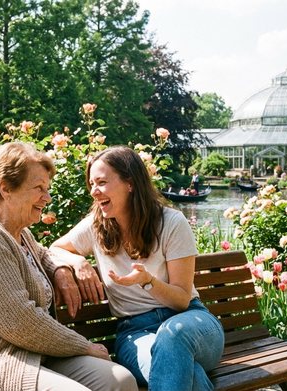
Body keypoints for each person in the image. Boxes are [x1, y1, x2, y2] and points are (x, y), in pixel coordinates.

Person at [0, 142, 137, 391]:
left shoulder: (20, 233)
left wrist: (60, 269)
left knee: (120, 380)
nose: (47, 198)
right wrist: (85, 346)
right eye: (39, 188)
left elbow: (44, 255)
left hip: (31, 354)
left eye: (47, 189)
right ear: (5, 188)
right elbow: (20, 321)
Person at [51, 146, 225, 391]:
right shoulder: (95, 225)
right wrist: (77, 261)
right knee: (185, 374)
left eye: (101, 182)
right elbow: (56, 248)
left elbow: (182, 301)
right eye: (91, 184)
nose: (93, 192)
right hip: (136, 332)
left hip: (190, 325)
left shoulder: (171, 222)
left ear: (130, 183)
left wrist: (147, 281)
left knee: (172, 337)